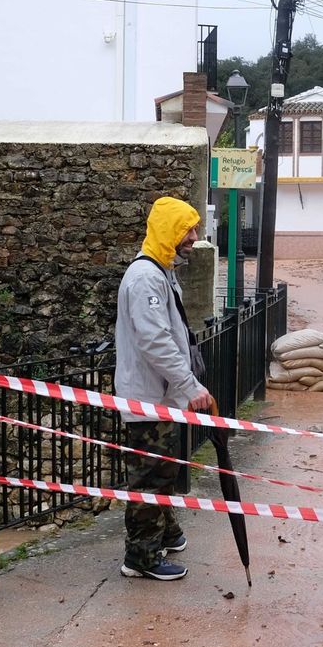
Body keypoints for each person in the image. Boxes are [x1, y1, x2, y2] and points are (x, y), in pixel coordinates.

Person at [114, 195, 217, 582]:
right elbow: (156, 340)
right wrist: (189, 386)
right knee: (149, 477)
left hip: (159, 396)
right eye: (187, 230)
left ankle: (166, 533)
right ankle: (140, 557)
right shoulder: (145, 279)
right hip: (148, 399)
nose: (193, 237)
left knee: (163, 468)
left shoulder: (160, 271)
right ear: (168, 231)